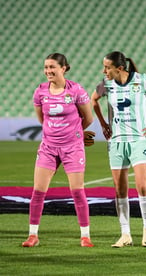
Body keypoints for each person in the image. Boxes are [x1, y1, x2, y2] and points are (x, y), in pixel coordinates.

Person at [91, 51, 146, 248]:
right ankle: (125, 233)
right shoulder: (106, 84)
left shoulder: (141, 81)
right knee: (120, 189)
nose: (104, 71)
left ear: (119, 68)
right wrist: (103, 123)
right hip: (117, 141)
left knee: (142, 185)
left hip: (139, 140)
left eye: (107, 67)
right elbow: (93, 100)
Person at [22, 53, 94, 247]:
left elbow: (88, 118)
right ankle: (33, 235)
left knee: (77, 191)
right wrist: (53, 134)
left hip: (73, 147)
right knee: (38, 191)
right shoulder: (40, 92)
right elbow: (42, 119)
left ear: (63, 68)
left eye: (52, 67)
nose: (48, 71)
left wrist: (75, 133)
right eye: (46, 67)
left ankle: (85, 236)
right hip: (48, 147)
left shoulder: (76, 90)